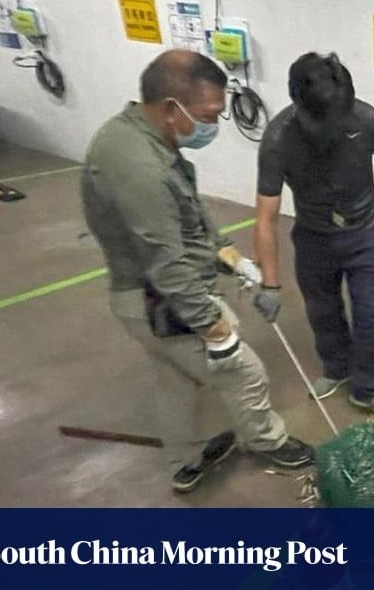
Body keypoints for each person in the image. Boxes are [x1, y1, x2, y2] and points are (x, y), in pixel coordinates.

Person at [81, 50, 314, 493]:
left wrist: (233, 259)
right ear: (172, 108)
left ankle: (184, 463)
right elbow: (166, 263)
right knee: (244, 371)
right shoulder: (139, 166)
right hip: (157, 298)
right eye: (210, 115)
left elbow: (191, 218)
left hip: (149, 295)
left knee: (176, 378)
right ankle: (268, 442)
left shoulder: (144, 139)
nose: (214, 125)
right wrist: (215, 330)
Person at [252, 52, 374, 421]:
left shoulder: (366, 119)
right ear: (298, 103)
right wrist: (270, 285)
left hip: (364, 236)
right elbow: (265, 217)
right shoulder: (278, 139)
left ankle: (368, 388)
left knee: (368, 314)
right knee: (323, 311)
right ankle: (335, 369)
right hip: (313, 238)